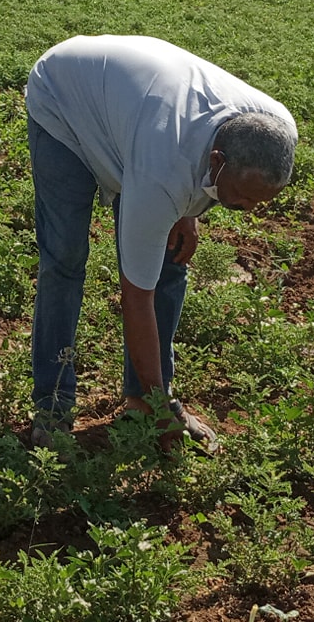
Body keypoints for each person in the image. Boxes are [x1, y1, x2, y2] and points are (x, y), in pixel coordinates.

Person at [23, 34, 298, 448]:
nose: (249, 208)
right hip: (67, 99)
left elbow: (189, 156)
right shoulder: (161, 173)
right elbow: (136, 298)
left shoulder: (278, 128)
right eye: (242, 196)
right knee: (65, 257)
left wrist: (188, 211)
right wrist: (164, 409)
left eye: (262, 200)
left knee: (171, 256)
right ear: (217, 162)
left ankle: (142, 401)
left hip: (137, 111)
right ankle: (54, 403)